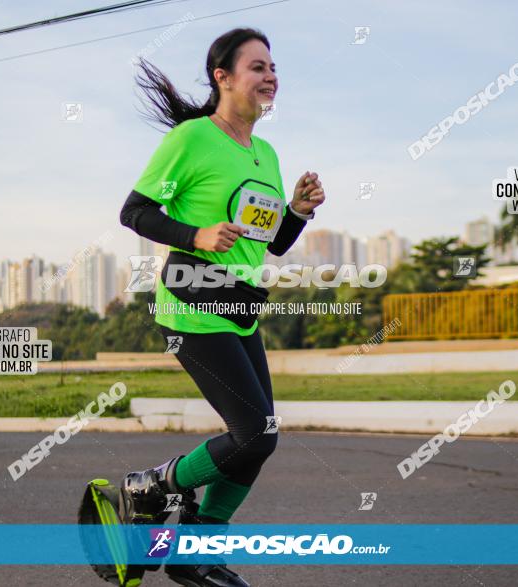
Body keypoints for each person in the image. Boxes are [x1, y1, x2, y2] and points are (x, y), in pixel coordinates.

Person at [118, 27, 325, 587]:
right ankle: (153, 485)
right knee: (256, 433)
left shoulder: (266, 153)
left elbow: (270, 242)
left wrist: (298, 211)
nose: (270, 76)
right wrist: (197, 234)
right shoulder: (191, 138)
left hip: (238, 309)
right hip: (190, 306)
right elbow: (134, 212)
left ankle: (194, 556)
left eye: (273, 67)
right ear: (223, 78)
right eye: (257, 67)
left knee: (257, 441)